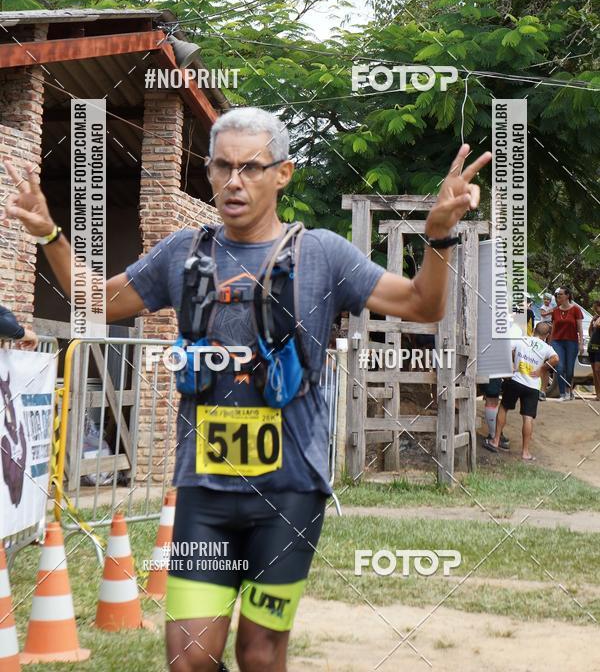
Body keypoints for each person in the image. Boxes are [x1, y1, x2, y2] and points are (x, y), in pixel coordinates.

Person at [4, 109, 491, 672]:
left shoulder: (322, 254)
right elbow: (96, 301)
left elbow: (422, 305)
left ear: (282, 174)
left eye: (251, 168)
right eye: (222, 167)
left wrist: (439, 236)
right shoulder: (183, 253)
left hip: (289, 494)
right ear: (209, 172)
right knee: (189, 657)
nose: (234, 182)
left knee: (259, 653)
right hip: (204, 493)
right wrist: (50, 234)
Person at [485, 322, 558, 461]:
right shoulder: (547, 347)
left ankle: (495, 440)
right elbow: (556, 359)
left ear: (534, 330)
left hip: (516, 380)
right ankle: (525, 452)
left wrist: (512, 364)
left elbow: (506, 349)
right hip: (532, 386)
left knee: (504, 408)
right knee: (528, 418)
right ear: (547, 335)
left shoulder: (522, 340)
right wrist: (542, 369)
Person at [550, 286, 584, 401]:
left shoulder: (576, 310)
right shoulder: (555, 311)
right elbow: (553, 328)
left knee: (569, 369)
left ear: (567, 296)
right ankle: (562, 393)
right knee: (559, 367)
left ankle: (569, 391)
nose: (558, 296)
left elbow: (580, 328)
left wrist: (581, 343)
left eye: (560, 294)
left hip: (571, 342)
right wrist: (550, 343)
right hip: (557, 342)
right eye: (557, 294)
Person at [588, 300, 600, 401]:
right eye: (594, 308)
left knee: (597, 369)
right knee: (594, 372)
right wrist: (591, 322)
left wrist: (596, 320)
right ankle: (598, 394)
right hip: (592, 346)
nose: (595, 309)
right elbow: (590, 332)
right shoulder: (595, 318)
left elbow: (598, 325)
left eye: (596, 307)